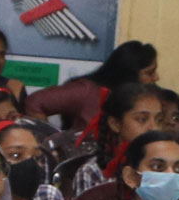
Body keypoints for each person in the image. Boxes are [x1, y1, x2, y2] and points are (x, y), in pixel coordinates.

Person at [27, 39, 157, 142]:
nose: (156, 78)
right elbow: (35, 102)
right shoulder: (87, 91)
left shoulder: (144, 100)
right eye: (150, 73)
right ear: (128, 74)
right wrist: (53, 144)